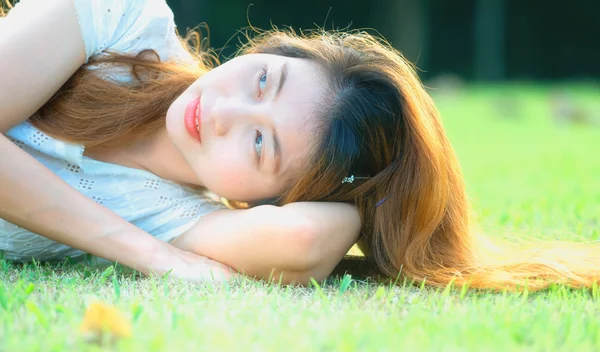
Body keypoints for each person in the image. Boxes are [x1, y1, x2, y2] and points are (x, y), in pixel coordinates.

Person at [1, 0, 598, 290]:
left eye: (261, 146)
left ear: (276, 196)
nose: (225, 112)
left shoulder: (186, 217)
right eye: (264, 80)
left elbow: (310, 237)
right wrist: (151, 256)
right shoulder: (117, 20)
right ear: (272, 50)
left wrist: (367, 198)